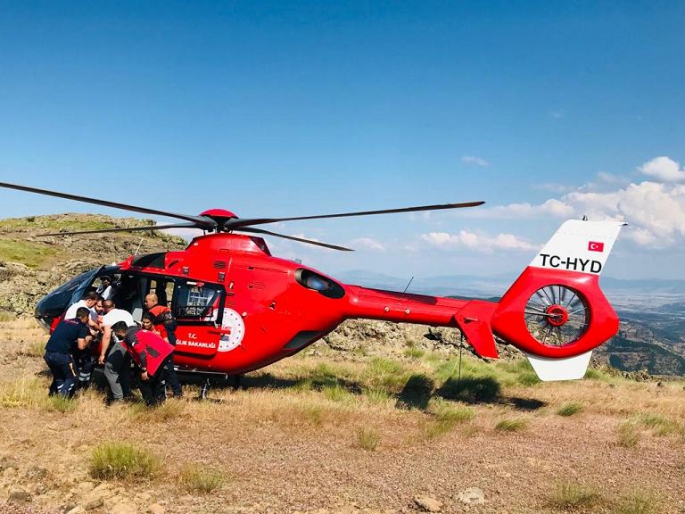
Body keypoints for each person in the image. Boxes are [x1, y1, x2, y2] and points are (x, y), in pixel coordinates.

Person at [112, 321, 174, 407]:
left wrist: (144, 369)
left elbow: (142, 353)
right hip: (164, 352)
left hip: (156, 356)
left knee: (143, 380)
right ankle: (158, 403)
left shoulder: (131, 337)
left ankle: (150, 404)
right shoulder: (136, 331)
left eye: (115, 332)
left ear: (120, 332)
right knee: (156, 380)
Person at [44, 307, 91, 398]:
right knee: (72, 378)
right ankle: (62, 398)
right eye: (88, 317)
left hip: (48, 354)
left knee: (59, 377)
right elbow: (81, 346)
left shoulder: (64, 322)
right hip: (61, 356)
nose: (88, 319)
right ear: (85, 317)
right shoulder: (81, 327)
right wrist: (88, 340)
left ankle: (55, 397)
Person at [144, 293, 182, 398]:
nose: (145, 303)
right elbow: (173, 325)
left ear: (153, 301)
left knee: (167, 367)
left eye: (147, 301)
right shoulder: (166, 309)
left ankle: (177, 392)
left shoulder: (152, 312)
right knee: (167, 366)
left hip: (163, 340)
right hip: (170, 337)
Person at [99, 299, 136, 404]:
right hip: (131, 342)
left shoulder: (107, 317)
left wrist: (102, 354)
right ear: (114, 305)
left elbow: (107, 336)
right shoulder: (126, 313)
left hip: (120, 344)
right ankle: (125, 393)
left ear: (104, 308)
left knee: (109, 369)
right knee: (124, 369)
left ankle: (118, 398)